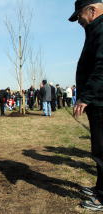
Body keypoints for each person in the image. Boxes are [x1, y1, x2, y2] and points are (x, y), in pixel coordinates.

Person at [69, 0, 103, 210]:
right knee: (99, 149)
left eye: (79, 15)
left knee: (102, 149)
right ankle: (100, 188)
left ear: (92, 10)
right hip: (98, 101)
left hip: (100, 101)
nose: (78, 21)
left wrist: (85, 97)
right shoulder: (96, 30)